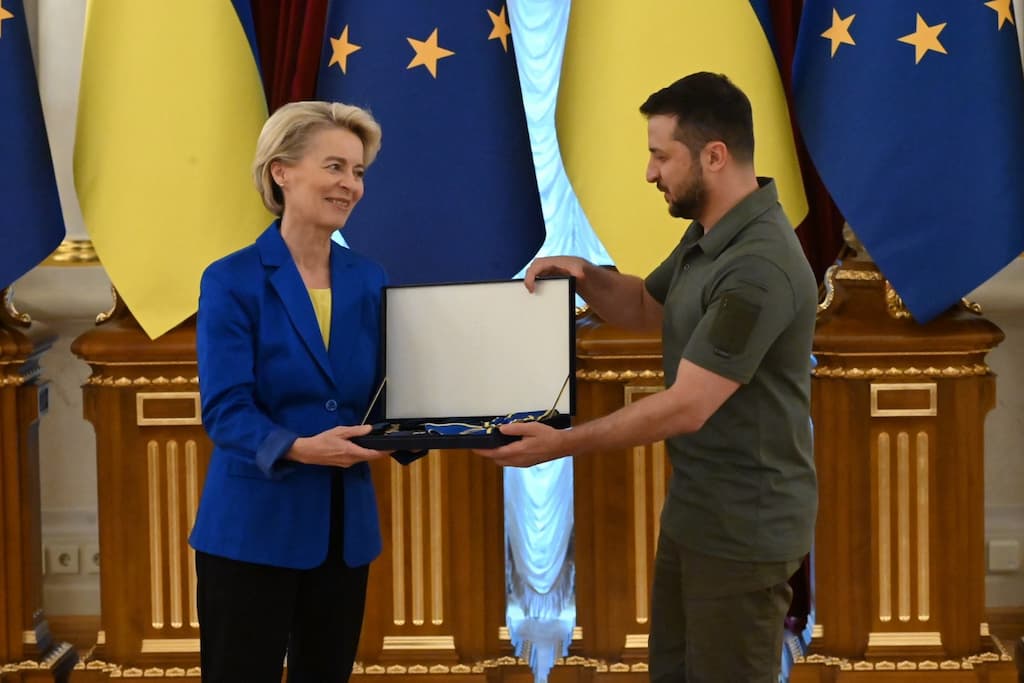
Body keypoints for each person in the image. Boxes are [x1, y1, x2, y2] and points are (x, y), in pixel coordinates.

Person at [478, 72, 818, 682]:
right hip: (698, 510)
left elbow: (688, 406)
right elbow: (644, 306)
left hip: (745, 526)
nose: (650, 172)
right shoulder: (712, 236)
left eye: (661, 155)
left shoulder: (758, 265)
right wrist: (583, 272)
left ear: (713, 156)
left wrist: (563, 443)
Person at [189, 101, 415, 682]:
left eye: (359, 172)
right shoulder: (230, 279)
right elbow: (225, 409)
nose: (350, 185)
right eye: (335, 167)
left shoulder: (369, 277)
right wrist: (300, 447)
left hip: (344, 533)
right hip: (251, 530)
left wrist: (442, 428)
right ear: (281, 172)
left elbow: (393, 396)